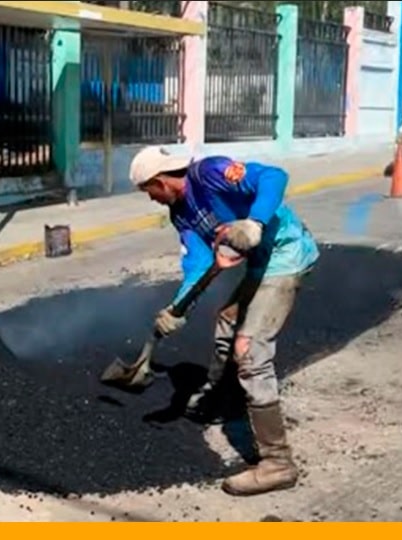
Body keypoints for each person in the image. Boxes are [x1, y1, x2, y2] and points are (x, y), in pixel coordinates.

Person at [128, 146, 320, 497]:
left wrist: (254, 222)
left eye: (149, 191)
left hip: (286, 254)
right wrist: (176, 308)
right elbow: (199, 265)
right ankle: (219, 399)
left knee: (249, 350)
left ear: (160, 181)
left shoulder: (210, 172)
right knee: (227, 322)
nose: (152, 199)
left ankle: (277, 464)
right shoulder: (181, 214)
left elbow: (274, 176)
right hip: (261, 265)